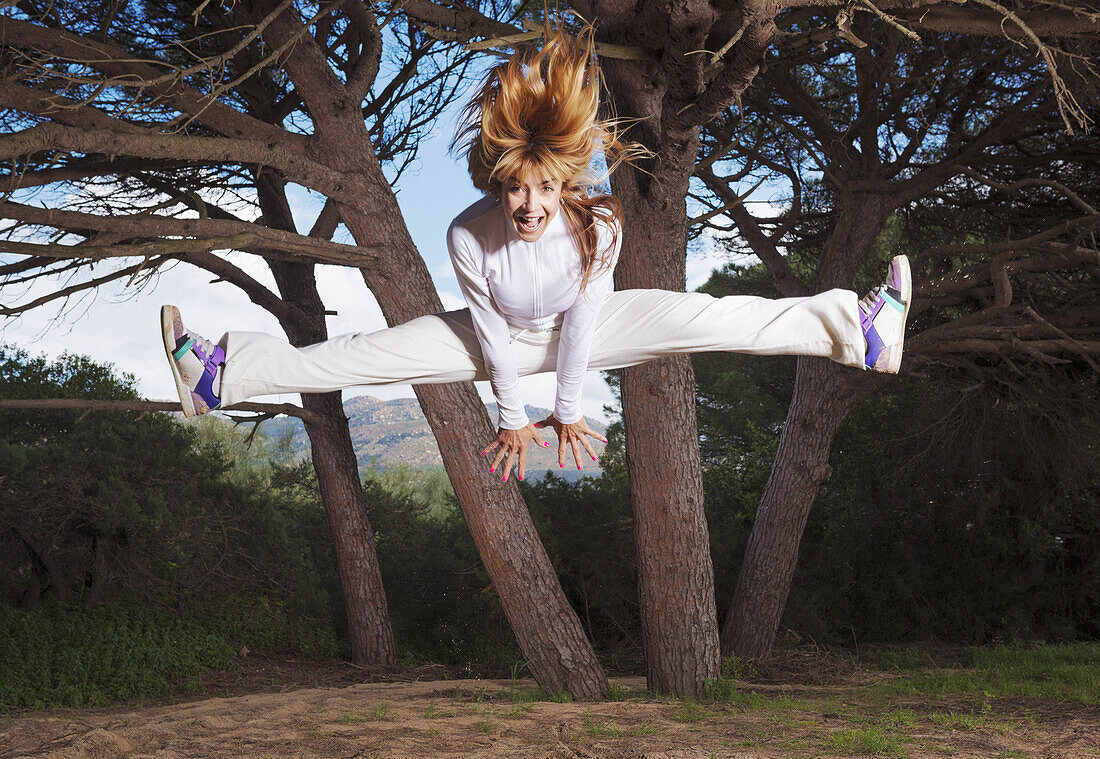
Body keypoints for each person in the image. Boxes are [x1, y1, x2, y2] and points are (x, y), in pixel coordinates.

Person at [161, 22, 911, 483]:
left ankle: (860, 330)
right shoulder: (468, 233)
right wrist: (514, 416)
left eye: (543, 189)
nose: (528, 205)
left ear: (564, 181)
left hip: (592, 325)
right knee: (364, 352)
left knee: (711, 318)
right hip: (502, 341)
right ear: (499, 181)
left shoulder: (599, 229)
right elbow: (487, 336)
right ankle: (219, 374)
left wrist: (567, 407)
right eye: (516, 188)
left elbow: (584, 329)